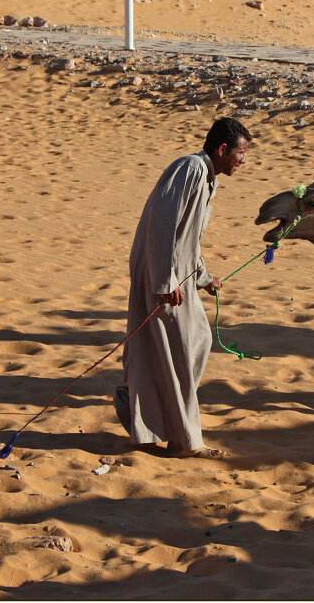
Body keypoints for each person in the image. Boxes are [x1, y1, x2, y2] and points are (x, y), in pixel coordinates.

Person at [114, 117, 251, 458]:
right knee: (180, 347)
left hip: (180, 277)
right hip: (162, 277)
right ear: (222, 149)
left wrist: (204, 278)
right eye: (241, 152)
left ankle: (166, 428)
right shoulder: (189, 169)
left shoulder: (207, 179)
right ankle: (182, 440)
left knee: (197, 342)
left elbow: (188, 239)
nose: (243, 161)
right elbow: (163, 226)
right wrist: (165, 280)